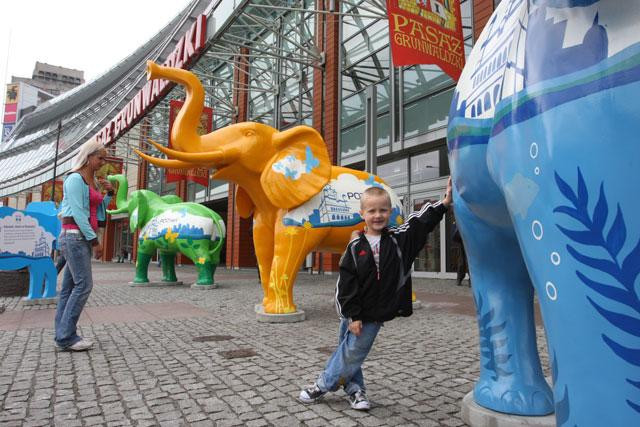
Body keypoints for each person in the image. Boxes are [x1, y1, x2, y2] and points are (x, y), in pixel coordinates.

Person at [299, 178, 453, 410]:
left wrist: (444, 203)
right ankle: (347, 389)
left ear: (390, 212)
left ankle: (324, 385)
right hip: (354, 312)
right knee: (351, 353)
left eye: (383, 210)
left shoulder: (399, 239)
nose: (378, 215)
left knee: (352, 351)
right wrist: (352, 315)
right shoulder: (355, 246)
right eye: (372, 211)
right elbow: (346, 283)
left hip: (375, 313)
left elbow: (421, 222)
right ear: (362, 214)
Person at [54, 138, 113, 352]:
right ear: (88, 157)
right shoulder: (75, 179)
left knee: (70, 288)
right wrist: (95, 241)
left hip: (79, 237)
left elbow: (97, 210)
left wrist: (109, 193)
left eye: (104, 159)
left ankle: (62, 335)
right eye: (100, 158)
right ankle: (67, 336)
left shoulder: (91, 181)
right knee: (83, 285)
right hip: (75, 236)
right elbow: (79, 213)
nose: (102, 162)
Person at [451, 220, 469, 286]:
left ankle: (460, 279)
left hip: (464, 239)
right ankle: (460, 278)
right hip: (462, 239)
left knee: (464, 260)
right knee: (463, 260)